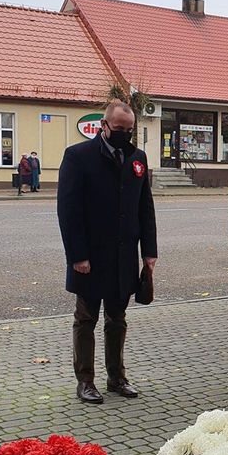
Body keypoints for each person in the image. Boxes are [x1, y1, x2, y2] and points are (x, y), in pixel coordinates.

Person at [57, 99, 157, 401]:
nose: (124, 135)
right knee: (86, 319)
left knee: (118, 319)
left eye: (129, 130)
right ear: (104, 126)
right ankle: (85, 381)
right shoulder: (78, 156)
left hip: (124, 256)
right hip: (89, 256)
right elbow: (68, 211)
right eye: (118, 129)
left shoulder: (137, 158)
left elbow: (145, 208)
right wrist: (77, 256)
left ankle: (116, 378)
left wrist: (149, 251)